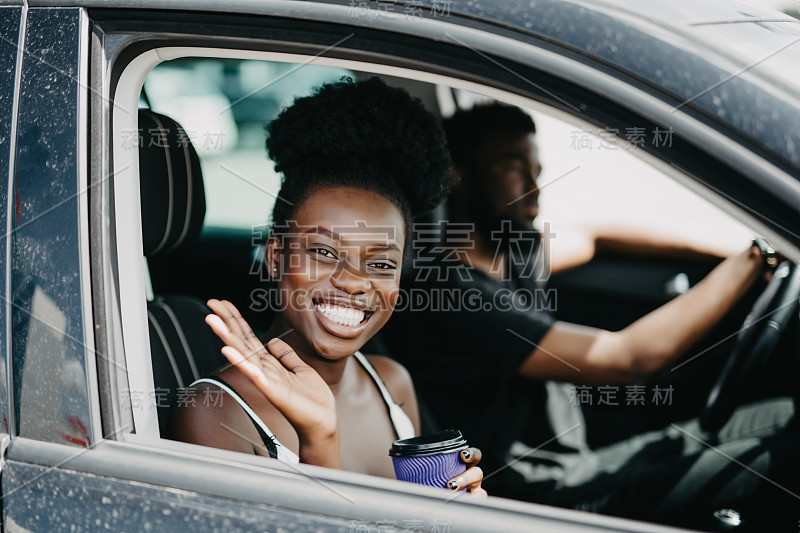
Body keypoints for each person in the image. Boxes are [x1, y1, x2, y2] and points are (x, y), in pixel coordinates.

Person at [382, 102, 799, 527]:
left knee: (784, 414)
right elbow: (629, 360)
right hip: (545, 497)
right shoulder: (452, 293)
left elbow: (597, 238)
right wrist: (755, 256)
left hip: (579, 463)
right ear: (457, 175)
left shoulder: (515, 252)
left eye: (536, 170)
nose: (534, 187)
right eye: (512, 168)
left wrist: (719, 253)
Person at [169, 78, 485, 494]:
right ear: (276, 257)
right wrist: (319, 440)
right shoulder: (214, 411)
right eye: (323, 252)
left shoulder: (392, 384)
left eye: (381, 262)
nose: (354, 281)